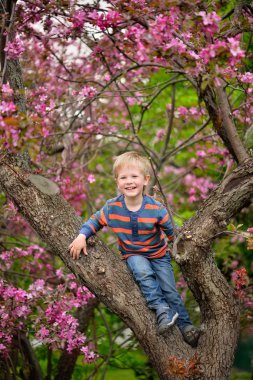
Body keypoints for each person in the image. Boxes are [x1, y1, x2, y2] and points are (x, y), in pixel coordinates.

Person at [69, 151, 200, 347]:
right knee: (143, 273)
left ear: (146, 180)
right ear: (117, 181)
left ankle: (186, 326)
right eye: (123, 177)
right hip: (133, 253)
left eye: (134, 176)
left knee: (170, 290)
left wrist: (182, 248)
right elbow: (94, 220)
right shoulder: (112, 208)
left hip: (159, 255)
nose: (129, 182)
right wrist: (81, 236)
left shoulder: (155, 208)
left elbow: (173, 233)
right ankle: (161, 309)